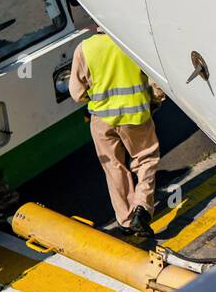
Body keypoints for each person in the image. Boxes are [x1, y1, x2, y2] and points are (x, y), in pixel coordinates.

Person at [69, 31, 160, 239]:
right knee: (146, 159)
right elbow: (155, 82)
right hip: (136, 115)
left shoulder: (85, 48)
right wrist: (155, 101)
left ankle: (126, 221)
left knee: (114, 167)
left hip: (101, 119)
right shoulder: (131, 39)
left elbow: (76, 93)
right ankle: (142, 208)